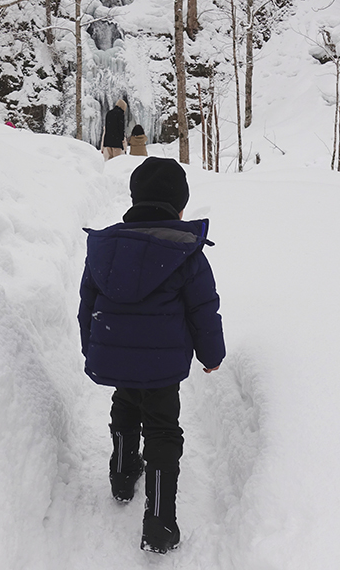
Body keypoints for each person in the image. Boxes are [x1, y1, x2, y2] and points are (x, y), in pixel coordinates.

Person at [77, 157, 226, 554]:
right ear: (179, 206)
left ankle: (123, 475)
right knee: (162, 429)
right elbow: (203, 310)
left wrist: (92, 346)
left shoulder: (106, 246)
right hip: (162, 366)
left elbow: (87, 301)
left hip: (117, 354)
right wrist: (212, 355)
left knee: (125, 403)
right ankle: (159, 524)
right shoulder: (186, 251)